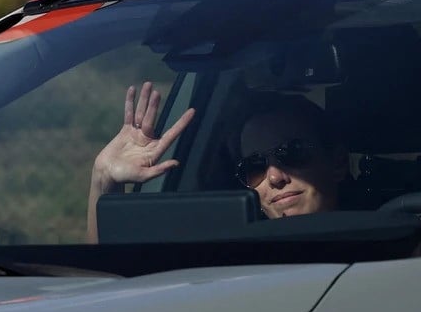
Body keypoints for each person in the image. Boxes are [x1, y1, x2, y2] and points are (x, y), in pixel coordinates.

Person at [87, 83, 348, 242]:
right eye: (254, 166)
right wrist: (103, 178)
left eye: (293, 152)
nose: (274, 176)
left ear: (337, 163)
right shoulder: (227, 260)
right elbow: (106, 275)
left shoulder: (387, 245)